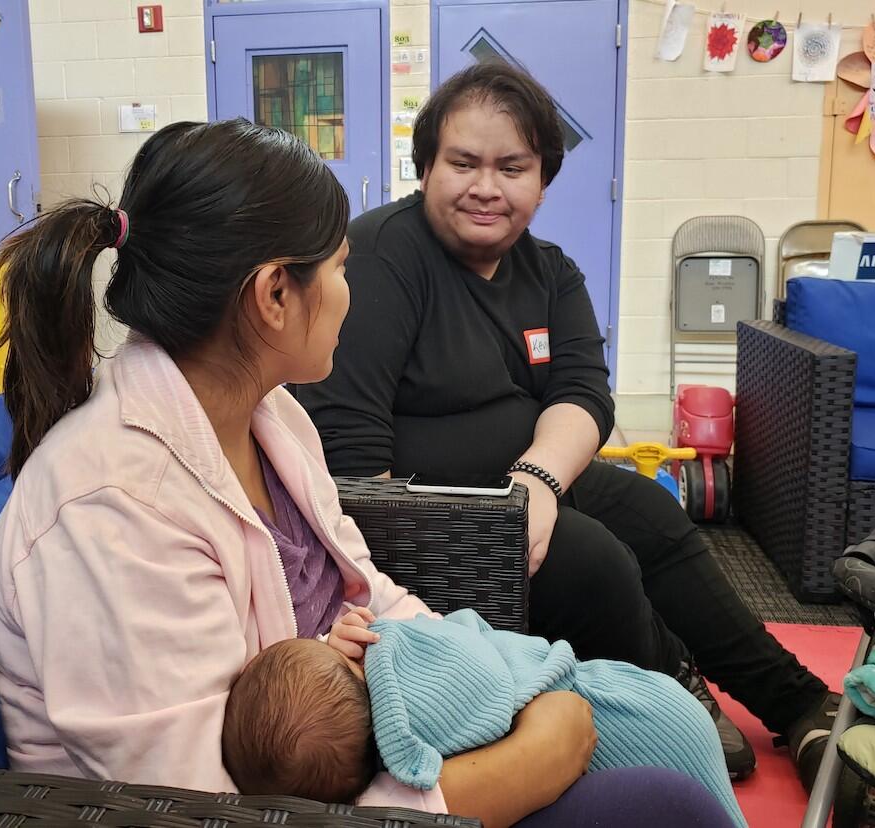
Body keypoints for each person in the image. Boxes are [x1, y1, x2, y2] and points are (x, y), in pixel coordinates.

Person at [0, 118, 729, 828]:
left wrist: (499, 675)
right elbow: (210, 809)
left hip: (368, 741)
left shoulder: (271, 418)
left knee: (664, 719)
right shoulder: (111, 509)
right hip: (299, 796)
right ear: (274, 295)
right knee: (663, 802)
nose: (350, 292)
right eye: (339, 269)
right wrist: (524, 764)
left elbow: (368, 591)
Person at [294, 62, 840, 787]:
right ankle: (670, 690)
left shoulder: (548, 271)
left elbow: (585, 392)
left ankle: (797, 701)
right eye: (463, 163)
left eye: (511, 167)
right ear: (425, 167)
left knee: (650, 511)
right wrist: (484, 526)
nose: (486, 186)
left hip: (526, 488)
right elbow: (356, 464)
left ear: (542, 180)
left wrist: (537, 480)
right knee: (593, 560)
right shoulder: (381, 261)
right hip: (432, 526)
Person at [222, 608, 744, 826]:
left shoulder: (393, 724)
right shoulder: (409, 695)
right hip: (641, 721)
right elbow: (470, 639)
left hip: (628, 709)